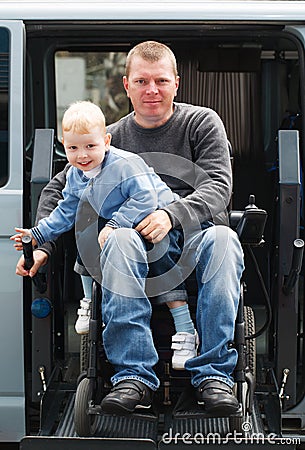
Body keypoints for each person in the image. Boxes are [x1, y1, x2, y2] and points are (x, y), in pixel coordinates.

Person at [15, 41, 244, 416]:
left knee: (225, 239)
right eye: (141, 81)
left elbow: (218, 186)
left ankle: (214, 376)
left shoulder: (201, 123)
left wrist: (171, 214)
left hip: (196, 237)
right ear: (126, 85)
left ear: (176, 83)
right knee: (119, 238)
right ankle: (133, 377)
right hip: (136, 246)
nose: (151, 90)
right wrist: (44, 246)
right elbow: (61, 189)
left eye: (160, 81)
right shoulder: (109, 138)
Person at [12, 100, 198, 369]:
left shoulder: (125, 164)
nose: (83, 155)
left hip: (157, 220)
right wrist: (38, 235)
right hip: (118, 228)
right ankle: (89, 301)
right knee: (83, 229)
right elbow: (65, 211)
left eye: (90, 146)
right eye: (73, 148)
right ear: (64, 145)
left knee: (161, 259)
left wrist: (115, 225)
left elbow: (146, 198)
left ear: (107, 141)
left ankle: (185, 329)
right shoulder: (77, 175)